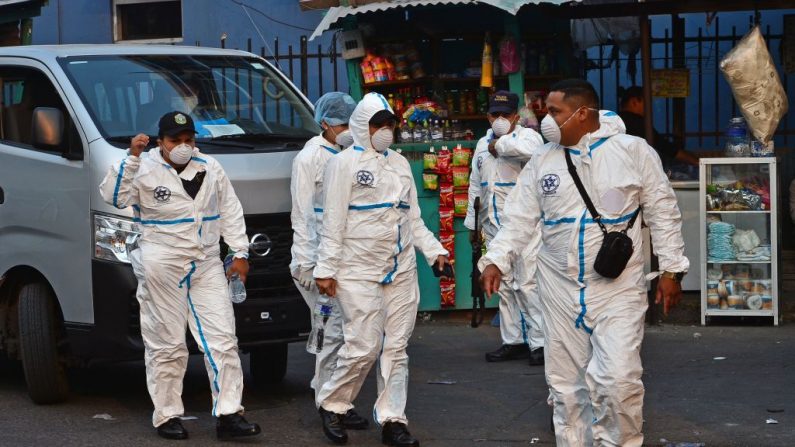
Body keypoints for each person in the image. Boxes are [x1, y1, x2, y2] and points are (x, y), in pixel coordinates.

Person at [479, 79, 689, 447]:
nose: (546, 119)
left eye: (555, 112)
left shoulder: (633, 151)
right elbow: (519, 218)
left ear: (583, 114)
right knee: (566, 386)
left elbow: (663, 211)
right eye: (546, 111)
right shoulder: (544, 159)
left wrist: (671, 270)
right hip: (558, 287)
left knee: (618, 379)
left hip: (618, 289)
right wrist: (496, 259)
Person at [99, 111, 261, 441]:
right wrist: (131, 157)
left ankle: (229, 414)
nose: (183, 146)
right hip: (163, 262)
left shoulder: (211, 167)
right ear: (161, 142)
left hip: (206, 263)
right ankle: (167, 415)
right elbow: (114, 197)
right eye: (175, 141)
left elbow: (231, 211)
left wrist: (240, 252)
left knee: (223, 339)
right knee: (167, 343)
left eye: (189, 140)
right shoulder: (142, 167)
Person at [313, 92, 452, 447]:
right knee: (363, 345)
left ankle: (393, 419)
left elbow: (414, 219)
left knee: (397, 348)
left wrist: (434, 252)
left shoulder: (400, 164)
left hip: (401, 269)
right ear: (363, 125)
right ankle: (333, 403)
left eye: (390, 124)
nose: (385, 131)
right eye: (378, 124)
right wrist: (326, 270)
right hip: (356, 270)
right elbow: (333, 221)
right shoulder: (342, 164)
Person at [289, 92, 367, 429]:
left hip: (344, 259)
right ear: (325, 124)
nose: (348, 129)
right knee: (331, 331)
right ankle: (330, 401)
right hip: (318, 264)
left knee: (343, 332)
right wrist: (308, 263)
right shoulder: (309, 159)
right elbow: (302, 214)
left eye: (352, 123)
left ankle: (335, 397)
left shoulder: (353, 154)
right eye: (341, 124)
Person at [464, 91, 546, 365]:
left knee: (528, 283)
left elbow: (534, 152)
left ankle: (541, 343)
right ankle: (514, 341)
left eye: (505, 115)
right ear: (487, 116)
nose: (499, 120)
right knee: (506, 286)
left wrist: (499, 146)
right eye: (494, 115)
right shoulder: (480, 145)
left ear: (515, 116)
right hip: (494, 226)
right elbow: (475, 185)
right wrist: (472, 225)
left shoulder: (528, 137)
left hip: (526, 228)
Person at [619, 86, 699, 169]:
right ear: (634, 102)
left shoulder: (616, 121)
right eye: (646, 102)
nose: (649, 107)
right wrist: (697, 162)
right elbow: (665, 146)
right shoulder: (636, 122)